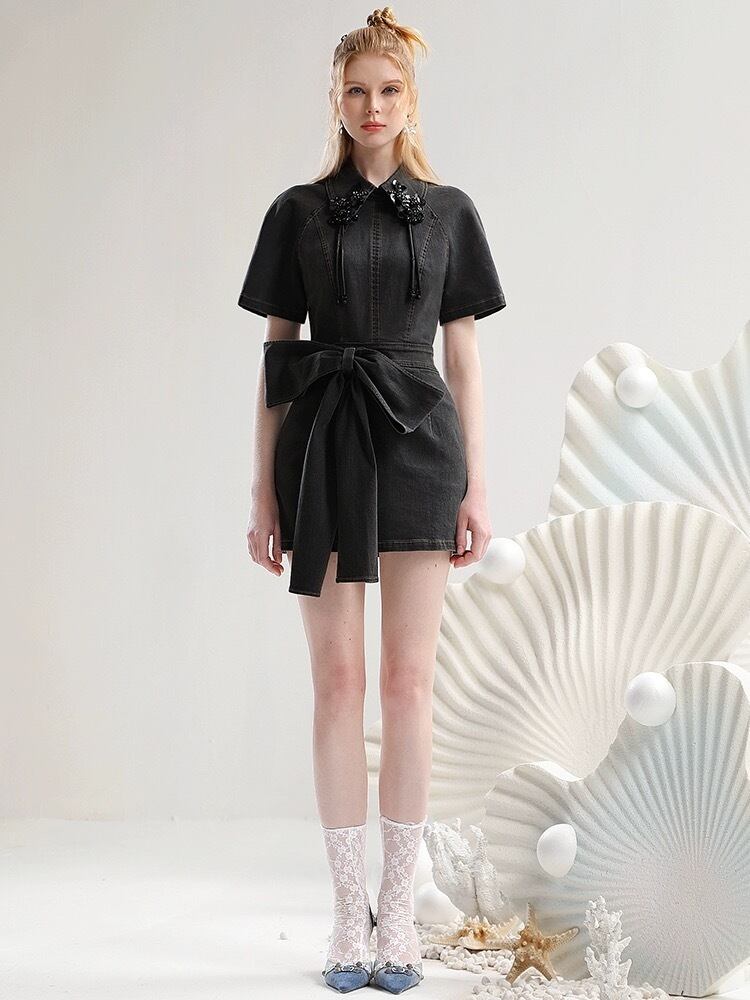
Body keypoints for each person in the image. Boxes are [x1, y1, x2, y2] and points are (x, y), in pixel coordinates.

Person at [239, 7, 506, 993]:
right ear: (337, 101)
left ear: (411, 99)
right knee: (337, 684)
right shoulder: (297, 213)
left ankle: (400, 910)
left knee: (408, 685)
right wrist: (262, 489)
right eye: (357, 90)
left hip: (422, 445)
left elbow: (465, 361)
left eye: (389, 89)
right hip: (321, 446)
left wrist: (478, 483)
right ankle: (347, 910)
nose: (373, 106)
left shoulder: (451, 212)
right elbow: (275, 359)